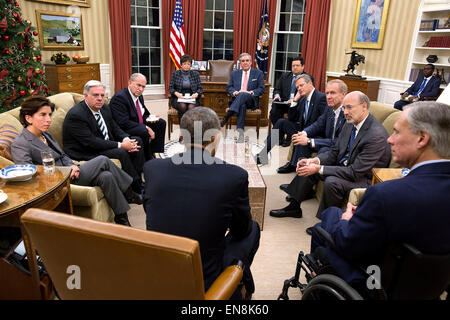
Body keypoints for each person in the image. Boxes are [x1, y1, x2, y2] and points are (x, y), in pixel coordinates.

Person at [310, 101, 450, 297]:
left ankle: (320, 283)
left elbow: (348, 244)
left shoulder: (385, 194)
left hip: (375, 284)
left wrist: (346, 220)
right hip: (427, 288)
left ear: (421, 139)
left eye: (396, 132)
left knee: (328, 219)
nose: (389, 140)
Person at [143, 107, 260, 299]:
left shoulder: (152, 168)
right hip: (204, 278)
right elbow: (241, 229)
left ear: (181, 137)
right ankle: (237, 280)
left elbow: (150, 210)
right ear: (214, 138)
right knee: (253, 228)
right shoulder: (234, 176)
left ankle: (241, 280)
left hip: (160, 268)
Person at [11, 96, 142, 226]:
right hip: (57, 182)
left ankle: (122, 218)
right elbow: (30, 174)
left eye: (50, 115)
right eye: (43, 115)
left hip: (71, 173)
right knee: (103, 160)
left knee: (106, 176)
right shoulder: (20, 143)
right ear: (28, 118)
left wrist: (72, 166)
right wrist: (68, 170)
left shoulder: (45, 134)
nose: (48, 120)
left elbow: (63, 155)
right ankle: (129, 193)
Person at [270, 92, 391, 231]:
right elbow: (334, 151)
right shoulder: (350, 123)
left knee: (332, 182)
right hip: (347, 166)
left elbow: (355, 172)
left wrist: (318, 168)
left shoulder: (376, 135)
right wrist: (314, 160)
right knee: (308, 165)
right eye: (344, 108)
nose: (345, 112)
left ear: (364, 106)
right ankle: (294, 207)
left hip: (364, 178)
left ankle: (326, 223)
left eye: (349, 107)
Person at [62, 80, 145, 194]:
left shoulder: (104, 108)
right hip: (86, 151)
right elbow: (92, 142)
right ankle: (134, 188)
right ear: (86, 96)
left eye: (102, 95)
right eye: (96, 95)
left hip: (103, 144)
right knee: (120, 152)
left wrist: (126, 139)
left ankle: (138, 181)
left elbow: (114, 128)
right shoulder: (76, 115)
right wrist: (121, 145)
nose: (100, 98)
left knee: (137, 141)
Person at [256, 74, 327, 165]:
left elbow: (321, 123)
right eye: (297, 87)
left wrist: (305, 133)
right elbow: (292, 118)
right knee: (281, 122)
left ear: (310, 83)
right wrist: (295, 101)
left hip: (314, 133)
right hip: (302, 130)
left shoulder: (321, 98)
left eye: (302, 85)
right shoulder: (302, 99)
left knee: (297, 134)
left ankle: (292, 164)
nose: (299, 89)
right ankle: (264, 153)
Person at [109, 73, 166, 161]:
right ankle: (148, 157)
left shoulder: (139, 96)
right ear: (129, 83)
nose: (141, 89)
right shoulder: (119, 98)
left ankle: (154, 152)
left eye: (143, 87)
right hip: (124, 128)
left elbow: (143, 114)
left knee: (161, 122)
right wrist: (146, 127)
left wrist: (151, 117)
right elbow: (122, 122)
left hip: (135, 123)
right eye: (138, 85)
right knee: (144, 130)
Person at [271, 56, 314, 147]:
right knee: (274, 111)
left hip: (297, 104)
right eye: (293, 65)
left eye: (297, 65)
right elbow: (277, 89)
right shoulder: (285, 76)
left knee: (293, 114)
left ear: (303, 66)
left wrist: (295, 100)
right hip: (284, 103)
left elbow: (308, 94)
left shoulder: (308, 78)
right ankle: (279, 136)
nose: (295, 67)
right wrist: (277, 95)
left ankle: (290, 137)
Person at [221, 53, 265, 140]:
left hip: (251, 101)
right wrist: (235, 92)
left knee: (244, 94)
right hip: (238, 100)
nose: (245, 63)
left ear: (251, 62)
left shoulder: (258, 73)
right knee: (242, 105)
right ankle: (240, 133)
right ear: (240, 63)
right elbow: (229, 88)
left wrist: (250, 92)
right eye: (243, 61)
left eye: (247, 61)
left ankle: (227, 116)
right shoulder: (234, 73)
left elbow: (261, 89)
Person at [168, 54, 203, 123]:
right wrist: (176, 93)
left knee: (191, 107)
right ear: (181, 65)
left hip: (192, 96)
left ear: (191, 65)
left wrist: (196, 94)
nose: (186, 66)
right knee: (183, 106)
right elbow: (171, 88)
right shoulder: (175, 73)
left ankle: (190, 126)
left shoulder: (195, 74)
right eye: (184, 64)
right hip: (179, 96)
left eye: (188, 64)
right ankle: (183, 126)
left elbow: (200, 88)